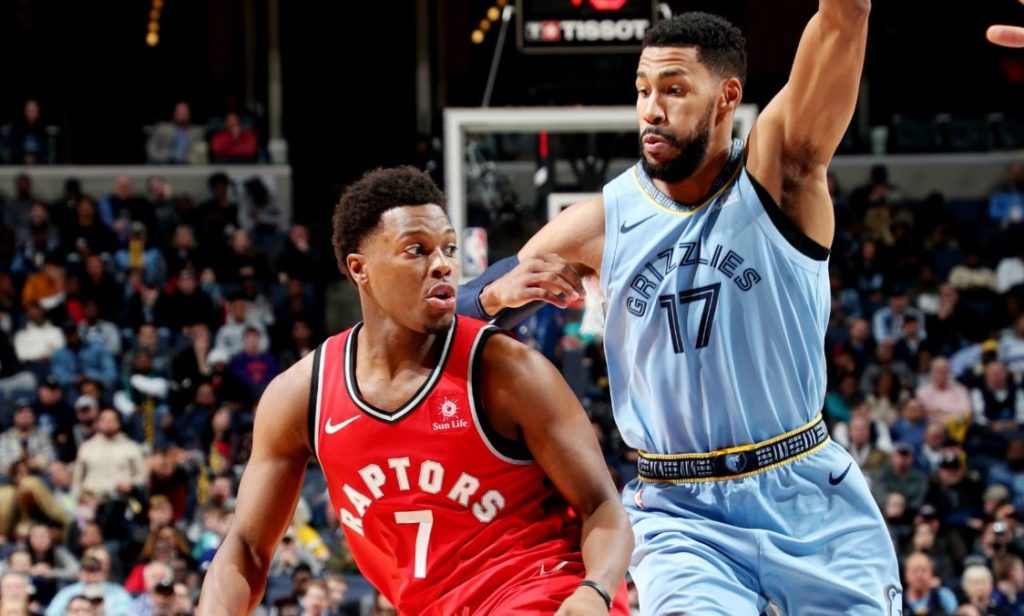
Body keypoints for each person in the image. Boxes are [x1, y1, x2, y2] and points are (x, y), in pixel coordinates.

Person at [458, 9, 901, 613]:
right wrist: (493, 298)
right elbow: (451, 324)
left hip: (805, 491)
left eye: (673, 89)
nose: (651, 109)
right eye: (643, 90)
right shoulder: (601, 222)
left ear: (727, 97)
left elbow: (844, 19)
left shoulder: (780, 174)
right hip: (680, 514)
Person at [197, 167, 632, 615]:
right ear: (359, 269)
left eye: (449, 248)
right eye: (417, 250)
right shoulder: (300, 395)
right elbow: (246, 547)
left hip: (544, 592)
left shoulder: (506, 370)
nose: (443, 263)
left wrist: (594, 590)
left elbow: (604, 505)